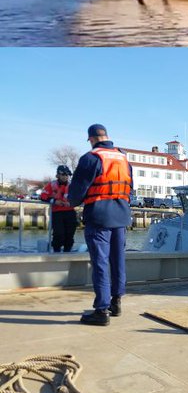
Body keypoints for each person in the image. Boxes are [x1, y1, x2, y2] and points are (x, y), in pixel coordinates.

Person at [67, 126, 133, 325]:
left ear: (91, 139)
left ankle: (101, 310)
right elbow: (130, 188)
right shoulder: (123, 159)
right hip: (121, 216)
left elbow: (75, 195)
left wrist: (72, 201)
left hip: (99, 217)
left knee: (101, 263)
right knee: (118, 259)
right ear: (107, 137)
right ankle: (116, 301)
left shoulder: (91, 158)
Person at [40, 166, 77, 253]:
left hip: (70, 212)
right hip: (57, 213)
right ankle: (56, 252)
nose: (65, 176)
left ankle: (67, 252)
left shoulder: (72, 186)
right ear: (57, 175)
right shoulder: (51, 185)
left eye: (67, 175)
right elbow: (43, 196)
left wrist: (71, 203)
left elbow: (78, 197)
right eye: (63, 174)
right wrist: (54, 201)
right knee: (58, 234)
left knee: (70, 234)